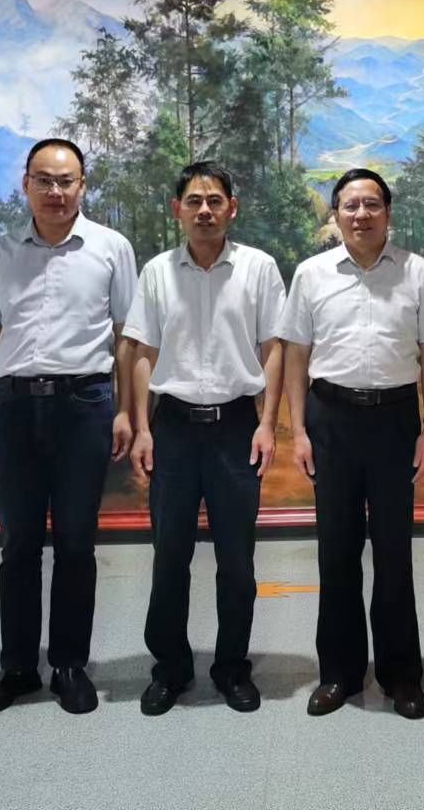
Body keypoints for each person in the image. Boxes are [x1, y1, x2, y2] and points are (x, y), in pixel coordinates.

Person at [0, 138, 138, 719]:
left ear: (83, 185)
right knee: (18, 544)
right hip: (14, 408)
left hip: (84, 406)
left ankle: (68, 665)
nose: (56, 192)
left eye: (66, 181)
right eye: (44, 180)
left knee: (77, 542)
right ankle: (17, 667)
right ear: (26, 185)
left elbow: (127, 338)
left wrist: (125, 411)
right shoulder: (1, 251)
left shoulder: (111, 248)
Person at [281, 167, 424, 720]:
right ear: (336, 215)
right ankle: (340, 672)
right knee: (337, 550)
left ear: (388, 213)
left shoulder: (417, 272)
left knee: (394, 552)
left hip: (396, 420)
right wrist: (298, 430)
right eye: (350, 205)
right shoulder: (311, 274)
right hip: (330, 419)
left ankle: (402, 674)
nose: (361, 214)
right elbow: (296, 355)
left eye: (372, 204)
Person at [124, 161, 286, 717]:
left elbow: (274, 348)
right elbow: (142, 353)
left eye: (215, 200)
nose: (205, 210)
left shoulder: (259, 268)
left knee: (237, 559)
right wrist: (143, 427)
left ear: (231, 208)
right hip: (172, 428)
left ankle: (232, 667)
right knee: (170, 555)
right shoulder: (156, 272)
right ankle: (170, 668)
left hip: (236, 426)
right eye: (194, 201)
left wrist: (267, 423)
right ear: (178, 210)